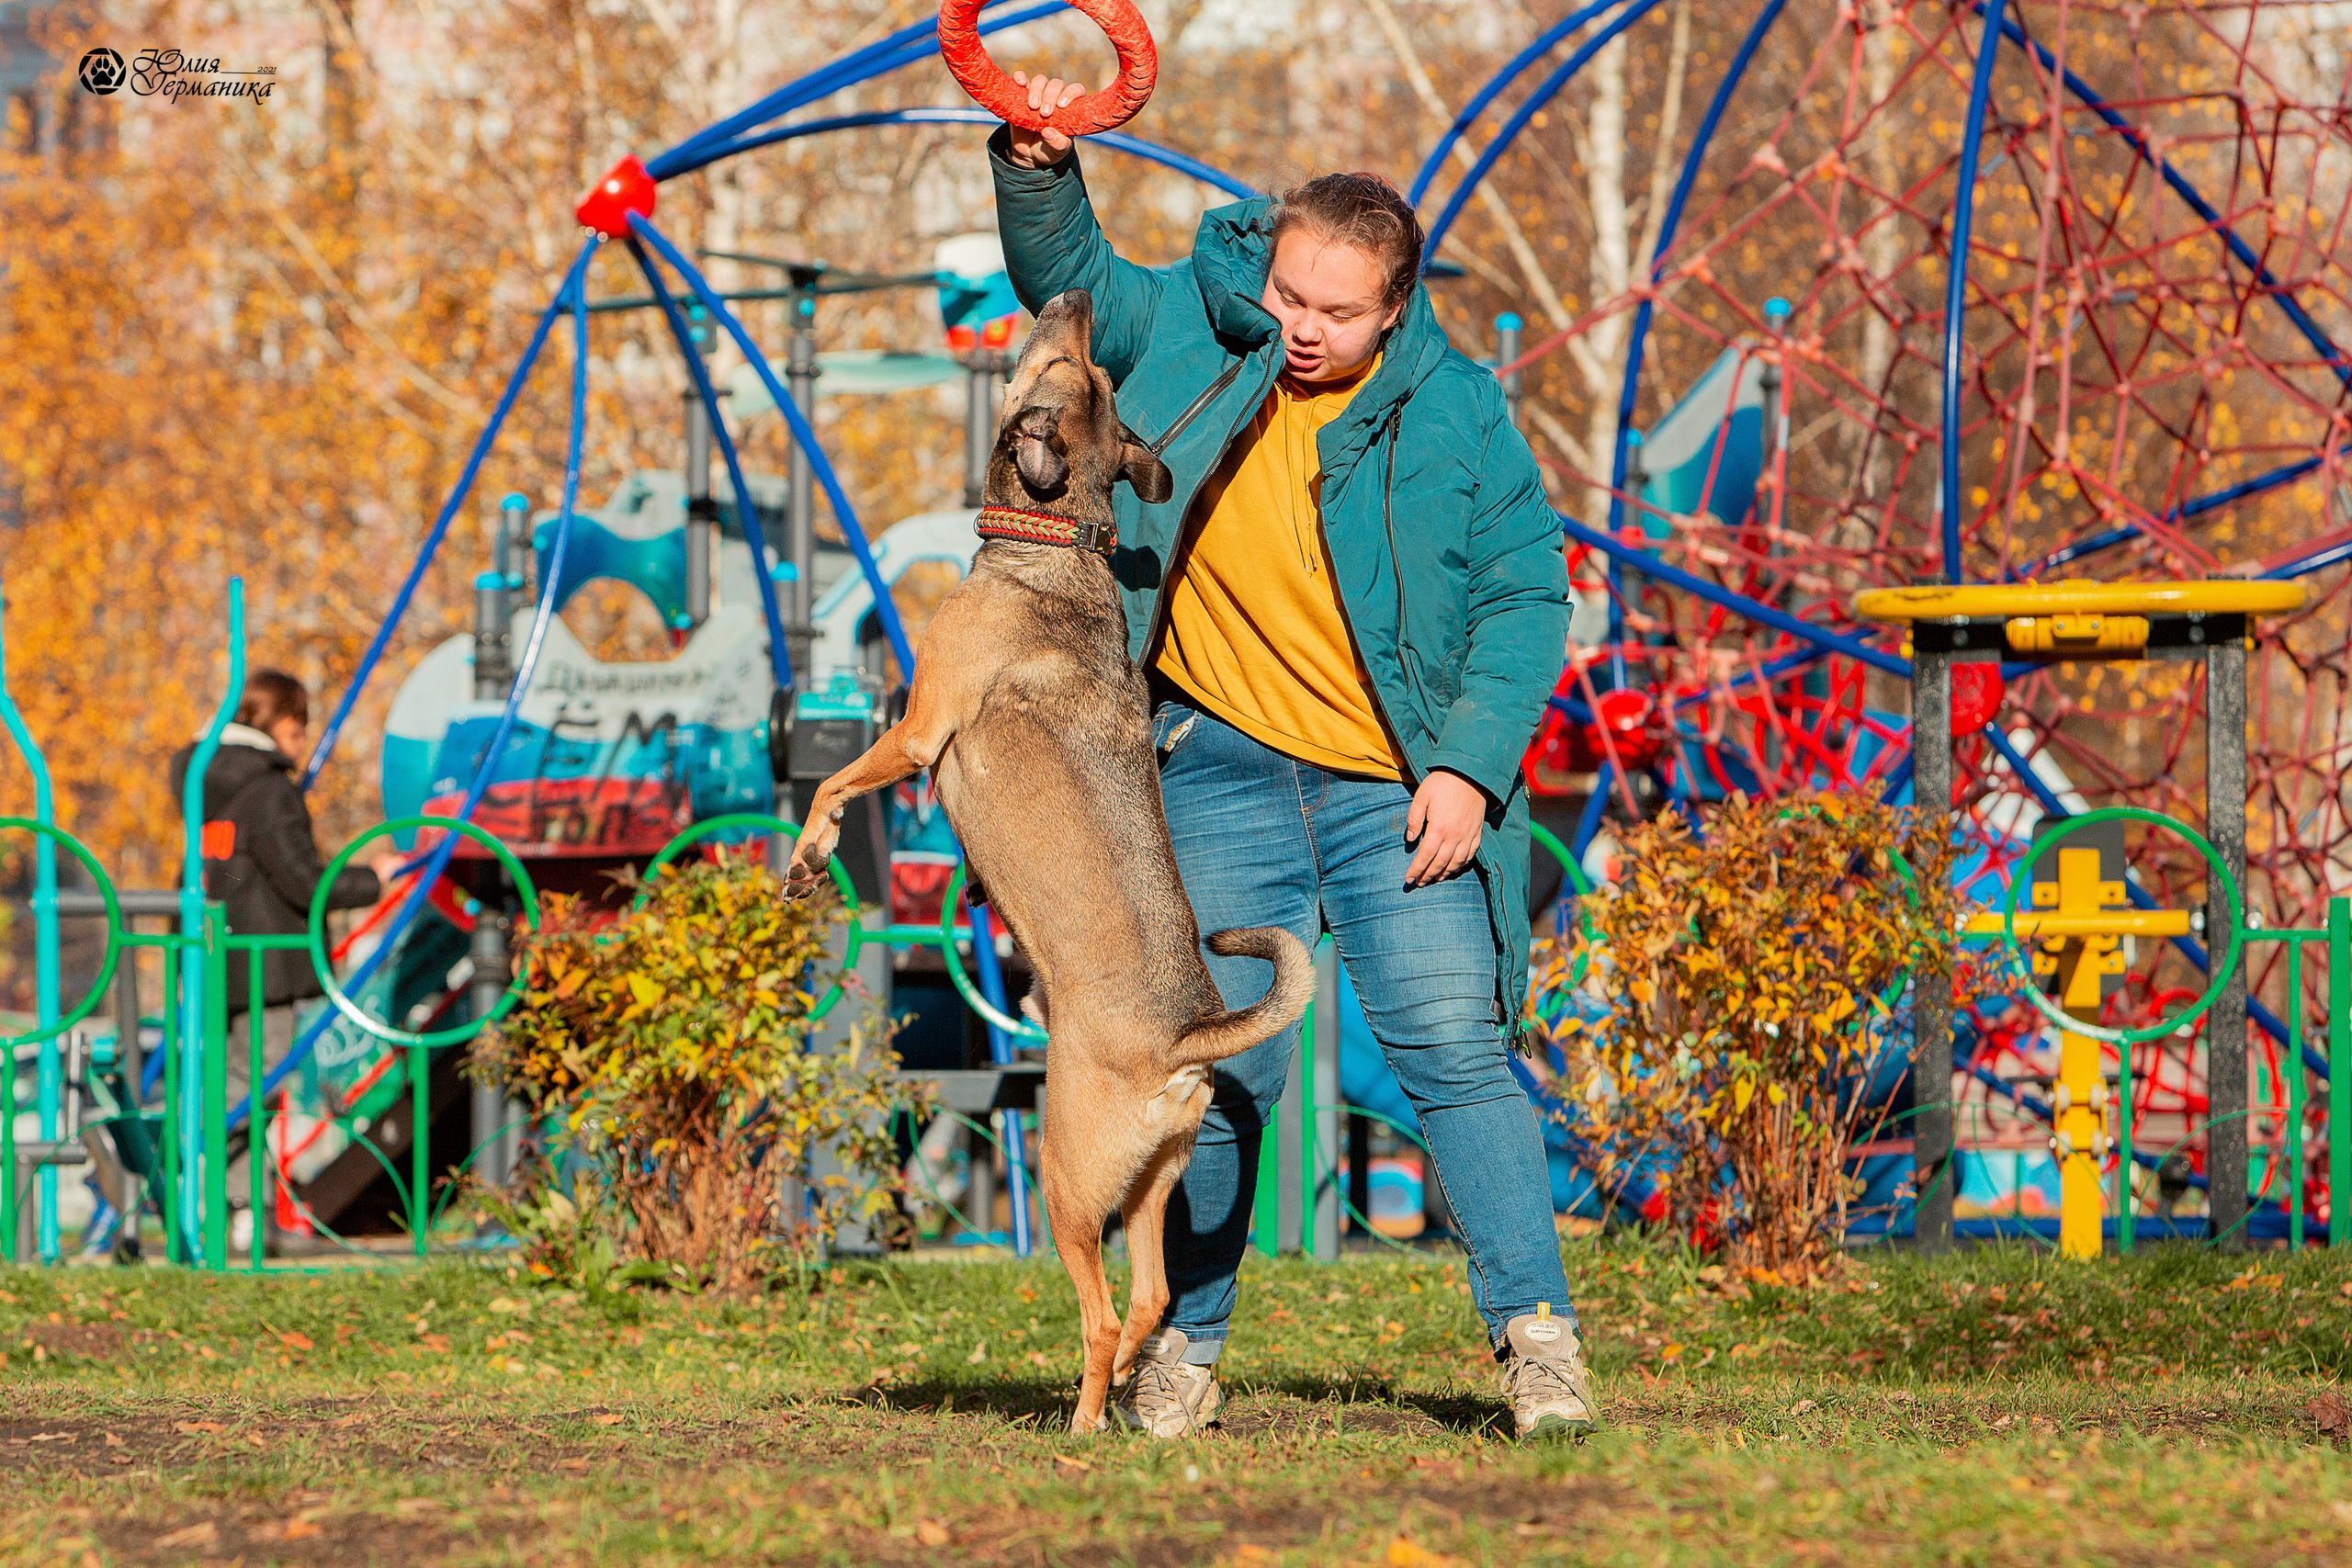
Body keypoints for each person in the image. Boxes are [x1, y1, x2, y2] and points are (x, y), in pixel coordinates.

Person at [991, 75, 1593, 1440]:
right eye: (1291, 296)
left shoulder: (1457, 413)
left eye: (1335, 311)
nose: (1302, 329)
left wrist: (1469, 767)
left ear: (1394, 306)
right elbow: (1068, 273)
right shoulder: (1200, 330)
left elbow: (1524, 595)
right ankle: (1182, 1351)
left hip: (1399, 786)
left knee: (1454, 1047)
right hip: (1213, 766)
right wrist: (1038, 169)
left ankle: (1538, 1340)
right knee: (1213, 1066)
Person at [168, 670, 403, 1096]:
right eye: (298, 729)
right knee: (256, 1080)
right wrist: (373, 879)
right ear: (278, 724)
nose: (301, 744)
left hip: (208, 951)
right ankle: (204, 1145)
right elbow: (304, 881)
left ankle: (221, 1158)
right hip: (266, 966)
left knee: (225, 1076)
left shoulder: (201, 781)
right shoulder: (268, 789)